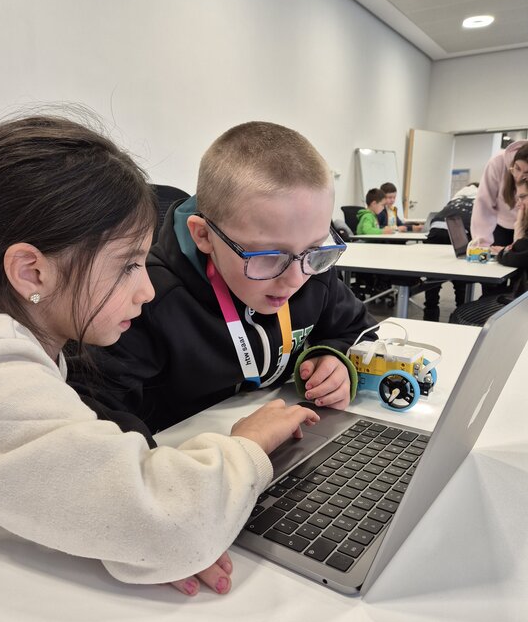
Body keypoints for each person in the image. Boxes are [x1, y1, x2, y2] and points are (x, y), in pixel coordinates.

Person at [0, 114, 320, 598]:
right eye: (128, 265)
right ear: (31, 272)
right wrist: (247, 445)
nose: (148, 290)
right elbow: (174, 526)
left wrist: (123, 528)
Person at [67, 121, 377, 436]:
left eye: (316, 249)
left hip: (283, 439)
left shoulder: (311, 269)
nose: (294, 279)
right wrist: (227, 454)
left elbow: (361, 332)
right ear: (203, 236)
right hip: (190, 455)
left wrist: (334, 358)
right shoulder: (148, 299)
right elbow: (93, 417)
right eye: (268, 256)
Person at [450, 178, 528, 325]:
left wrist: (518, 229)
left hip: (522, 305)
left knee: (460, 315)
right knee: (482, 300)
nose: (518, 204)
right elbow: (516, 252)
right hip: (521, 297)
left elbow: (510, 257)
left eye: (523, 197)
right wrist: (509, 250)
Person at [422, 183, 478, 321]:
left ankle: (430, 315)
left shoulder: (457, 197)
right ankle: (461, 316)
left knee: (433, 277)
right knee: (461, 278)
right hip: (459, 229)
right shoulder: (479, 197)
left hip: (436, 227)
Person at [470, 140, 528, 247]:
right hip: (502, 226)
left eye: (526, 173)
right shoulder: (498, 162)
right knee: (499, 254)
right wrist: (481, 243)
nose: (519, 177)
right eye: (517, 168)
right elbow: (483, 204)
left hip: (525, 225)